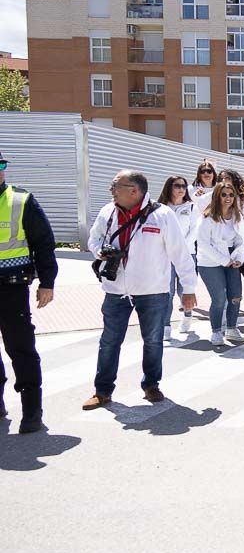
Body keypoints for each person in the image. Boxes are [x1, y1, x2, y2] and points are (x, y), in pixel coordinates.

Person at [84, 170, 197, 411]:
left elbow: (181, 254)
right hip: (115, 289)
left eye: (116, 186)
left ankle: (151, 385)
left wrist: (188, 289)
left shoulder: (162, 215)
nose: (111, 190)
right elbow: (92, 240)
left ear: (134, 191)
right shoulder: (108, 212)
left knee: (153, 341)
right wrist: (99, 251)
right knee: (109, 341)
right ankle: (102, 391)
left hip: (153, 291)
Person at [0, 152, 57, 433]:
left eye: (0, 165)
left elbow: (44, 242)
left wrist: (47, 282)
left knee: (20, 349)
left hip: (11, 287)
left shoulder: (21, 200)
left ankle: (32, 411)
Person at [196, 181, 244, 346]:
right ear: (217, 196)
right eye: (224, 194)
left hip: (232, 261)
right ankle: (216, 331)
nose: (228, 198)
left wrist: (238, 257)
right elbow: (203, 244)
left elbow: (241, 239)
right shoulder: (207, 217)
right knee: (219, 298)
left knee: (236, 296)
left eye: (231, 195)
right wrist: (225, 260)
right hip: (210, 263)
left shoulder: (237, 216)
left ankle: (232, 328)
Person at [157, 175, 199, 339]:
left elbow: (194, 230)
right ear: (169, 187)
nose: (181, 189)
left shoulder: (191, 207)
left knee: (185, 290)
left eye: (183, 186)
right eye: (177, 186)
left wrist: (179, 247)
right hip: (165, 256)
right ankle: (165, 325)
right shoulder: (160, 207)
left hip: (186, 254)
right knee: (167, 291)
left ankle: (187, 314)